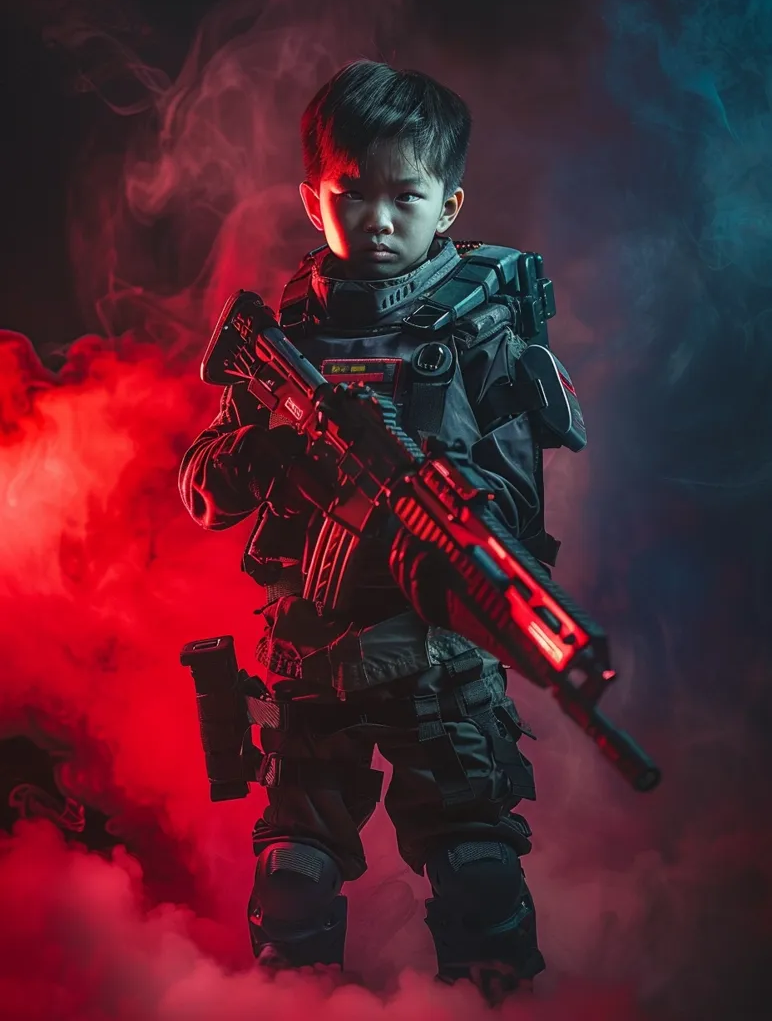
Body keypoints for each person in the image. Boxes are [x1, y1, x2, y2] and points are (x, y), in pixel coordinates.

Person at [179, 59, 566, 1001]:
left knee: (478, 877)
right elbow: (201, 489)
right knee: (293, 887)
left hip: (442, 659)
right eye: (355, 195)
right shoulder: (278, 346)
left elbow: (517, 518)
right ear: (315, 202)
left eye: (409, 196)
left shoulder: (482, 339)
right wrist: (270, 448)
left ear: (450, 204)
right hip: (313, 664)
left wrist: (429, 495)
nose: (381, 220)